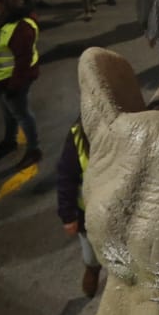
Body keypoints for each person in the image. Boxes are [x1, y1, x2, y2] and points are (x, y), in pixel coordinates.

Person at [0, 0, 41, 167]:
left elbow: (23, 61)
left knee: (22, 114)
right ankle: (10, 141)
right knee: (9, 113)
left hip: (13, 81)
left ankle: (33, 149)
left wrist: (14, 87)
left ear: (4, 4)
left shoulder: (21, 27)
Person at [55, 118, 101, 298]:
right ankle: (92, 268)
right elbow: (65, 180)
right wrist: (68, 216)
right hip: (88, 214)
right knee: (91, 253)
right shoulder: (77, 138)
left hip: (119, 211)